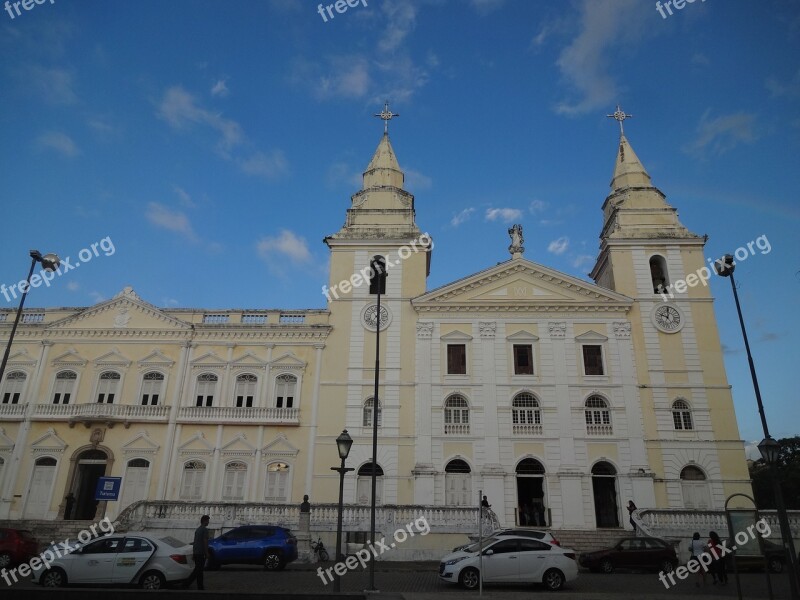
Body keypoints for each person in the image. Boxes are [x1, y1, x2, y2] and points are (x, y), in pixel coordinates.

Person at [184, 515, 210, 590]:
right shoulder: (205, 530)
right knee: (199, 570)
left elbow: (195, 542)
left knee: (198, 570)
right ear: (204, 521)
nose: (208, 522)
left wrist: (194, 553)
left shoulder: (198, 530)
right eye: (208, 520)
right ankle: (188, 584)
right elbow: (205, 541)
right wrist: (207, 552)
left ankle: (199, 586)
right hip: (201, 553)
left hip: (196, 552)